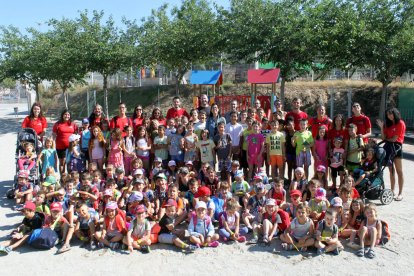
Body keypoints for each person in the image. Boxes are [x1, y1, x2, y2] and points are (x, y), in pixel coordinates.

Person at [376, 107, 406, 201]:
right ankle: (392, 190)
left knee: (399, 171)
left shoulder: (400, 123)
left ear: (395, 113)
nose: (390, 116)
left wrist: (386, 140)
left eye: (391, 114)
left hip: (396, 148)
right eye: (388, 114)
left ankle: (400, 193)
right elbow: (383, 137)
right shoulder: (387, 124)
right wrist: (382, 128)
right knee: (390, 170)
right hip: (388, 147)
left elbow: (394, 139)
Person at [53, 109, 78, 174]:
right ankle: (62, 179)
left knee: (70, 162)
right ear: (62, 115)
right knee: (62, 162)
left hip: (70, 147)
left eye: (68, 114)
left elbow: (76, 135)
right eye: (65, 114)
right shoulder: (57, 124)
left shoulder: (73, 124)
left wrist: (76, 143)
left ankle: (69, 178)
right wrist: (52, 145)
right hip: (60, 147)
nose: (67, 116)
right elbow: (53, 135)